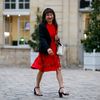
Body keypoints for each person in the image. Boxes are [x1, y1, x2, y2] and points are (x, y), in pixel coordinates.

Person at [31, 8, 69, 98]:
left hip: (54, 50)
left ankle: (61, 88)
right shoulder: (42, 26)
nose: (50, 16)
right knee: (42, 69)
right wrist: (48, 48)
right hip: (46, 50)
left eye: (51, 14)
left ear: (53, 16)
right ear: (45, 16)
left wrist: (57, 39)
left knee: (58, 68)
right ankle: (36, 87)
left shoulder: (55, 25)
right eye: (47, 15)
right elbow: (42, 39)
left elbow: (54, 36)